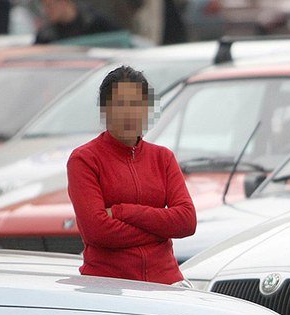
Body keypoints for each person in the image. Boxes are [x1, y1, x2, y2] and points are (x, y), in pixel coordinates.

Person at [67, 66, 196, 286]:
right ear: (104, 110)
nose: (129, 113)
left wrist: (122, 211)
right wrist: (162, 231)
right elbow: (97, 232)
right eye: (120, 105)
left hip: (166, 284)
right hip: (108, 287)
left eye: (137, 105)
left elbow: (186, 221)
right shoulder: (84, 159)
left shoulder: (163, 158)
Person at [35, 0, 119, 44]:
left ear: (63, 2)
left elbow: (119, 41)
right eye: (43, 6)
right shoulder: (46, 35)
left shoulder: (93, 22)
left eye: (49, 5)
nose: (46, 11)